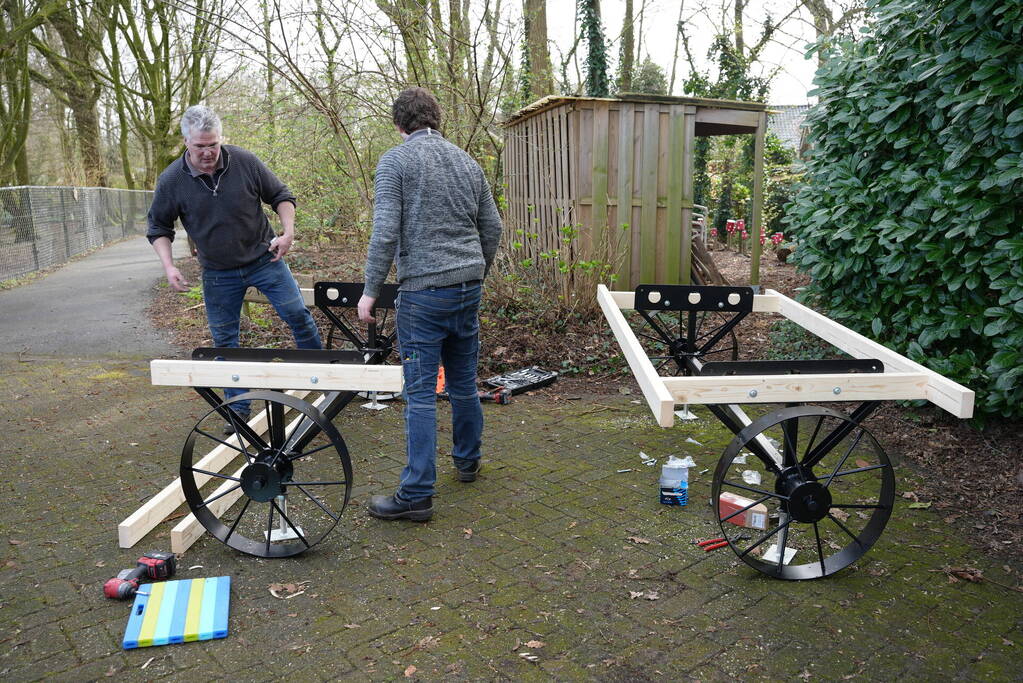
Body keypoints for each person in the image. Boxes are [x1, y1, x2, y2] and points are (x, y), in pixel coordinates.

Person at [358, 87, 502, 522]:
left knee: (420, 392)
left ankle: (417, 494)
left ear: (399, 125)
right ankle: (468, 461)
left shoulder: (396, 161)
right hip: (467, 285)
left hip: (423, 294)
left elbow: (385, 232)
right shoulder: (466, 161)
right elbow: (491, 226)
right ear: (435, 119)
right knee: (462, 381)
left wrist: (370, 289)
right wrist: (477, 270)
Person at [147, 105, 322, 432]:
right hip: (217, 272)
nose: (208, 152)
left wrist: (288, 233)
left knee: (297, 313)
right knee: (225, 341)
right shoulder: (172, 180)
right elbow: (158, 226)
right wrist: (169, 266)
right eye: (200, 146)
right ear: (186, 142)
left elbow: (281, 196)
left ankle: (324, 379)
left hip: (264, 260)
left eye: (213, 144)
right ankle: (239, 409)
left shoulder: (244, 161)